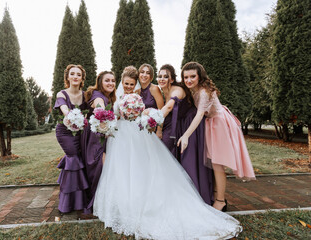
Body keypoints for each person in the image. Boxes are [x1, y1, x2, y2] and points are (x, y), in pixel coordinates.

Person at [93, 66, 242, 240]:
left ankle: (148, 202)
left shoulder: (144, 93)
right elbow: (112, 114)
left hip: (138, 134)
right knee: (122, 171)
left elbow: (162, 108)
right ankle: (123, 204)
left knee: (142, 168)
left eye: (131, 83)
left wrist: (153, 120)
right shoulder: (118, 96)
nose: (128, 86)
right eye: (126, 83)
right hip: (120, 138)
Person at [178, 61, 256, 211]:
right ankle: (215, 194)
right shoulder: (194, 90)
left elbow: (200, 114)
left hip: (219, 125)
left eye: (192, 76)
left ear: (200, 76)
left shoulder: (203, 92)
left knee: (218, 164)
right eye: (186, 77)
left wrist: (186, 135)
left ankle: (220, 201)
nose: (188, 80)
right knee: (213, 163)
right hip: (210, 124)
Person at [158, 64, 214, 205]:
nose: (162, 79)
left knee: (190, 159)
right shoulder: (160, 91)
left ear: (172, 79)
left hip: (191, 124)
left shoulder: (176, 90)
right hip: (180, 126)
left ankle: (195, 197)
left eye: (166, 76)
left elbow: (170, 106)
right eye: (160, 76)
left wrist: (154, 118)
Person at [53, 64, 89, 214]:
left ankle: (79, 200)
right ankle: (68, 203)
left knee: (78, 160)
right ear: (67, 77)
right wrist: (70, 116)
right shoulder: (61, 94)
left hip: (81, 132)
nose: (75, 76)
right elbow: (64, 109)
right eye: (72, 74)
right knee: (73, 158)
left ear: (82, 79)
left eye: (78, 75)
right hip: (64, 132)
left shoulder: (86, 95)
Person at [82, 70, 116, 215]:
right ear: (100, 82)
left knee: (102, 168)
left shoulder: (109, 97)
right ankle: (95, 204)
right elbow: (99, 105)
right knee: (97, 168)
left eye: (113, 81)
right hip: (95, 138)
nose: (110, 83)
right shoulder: (97, 96)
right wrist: (102, 112)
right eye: (107, 80)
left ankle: (101, 201)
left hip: (101, 135)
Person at [136, 63, 164, 138]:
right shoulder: (137, 91)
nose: (144, 75)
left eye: (148, 73)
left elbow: (162, 111)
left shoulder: (154, 89)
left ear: (151, 76)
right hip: (142, 129)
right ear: (138, 74)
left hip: (154, 128)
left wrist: (159, 130)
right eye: (142, 72)